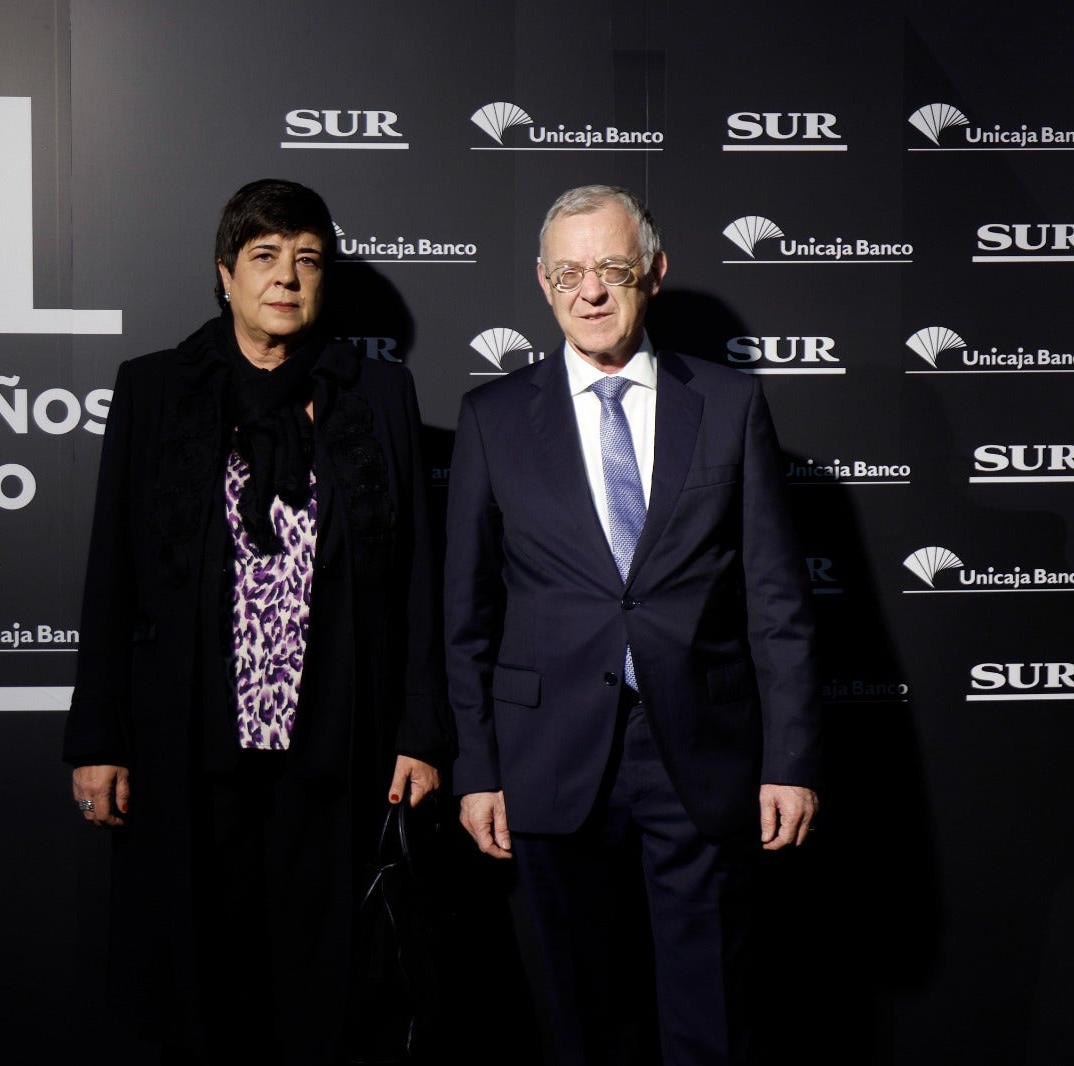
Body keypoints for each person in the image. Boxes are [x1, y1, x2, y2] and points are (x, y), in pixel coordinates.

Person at [65, 178, 452, 1064]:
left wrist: (423, 732)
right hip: (192, 734)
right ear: (225, 275)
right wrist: (99, 735)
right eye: (265, 257)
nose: (287, 277)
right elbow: (112, 567)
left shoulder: (380, 395)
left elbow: (418, 577)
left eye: (307, 259)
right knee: (202, 972)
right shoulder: (155, 389)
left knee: (333, 975)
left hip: (339, 740)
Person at [444, 184, 821, 1065]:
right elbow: (465, 615)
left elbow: (776, 602)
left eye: (612, 268)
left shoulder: (728, 405)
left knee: (714, 1022)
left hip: (702, 750)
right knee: (584, 1022)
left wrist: (791, 760)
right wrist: (477, 768)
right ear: (542, 283)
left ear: (653, 272)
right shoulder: (492, 419)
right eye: (570, 272)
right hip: (548, 760)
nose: (592, 292)